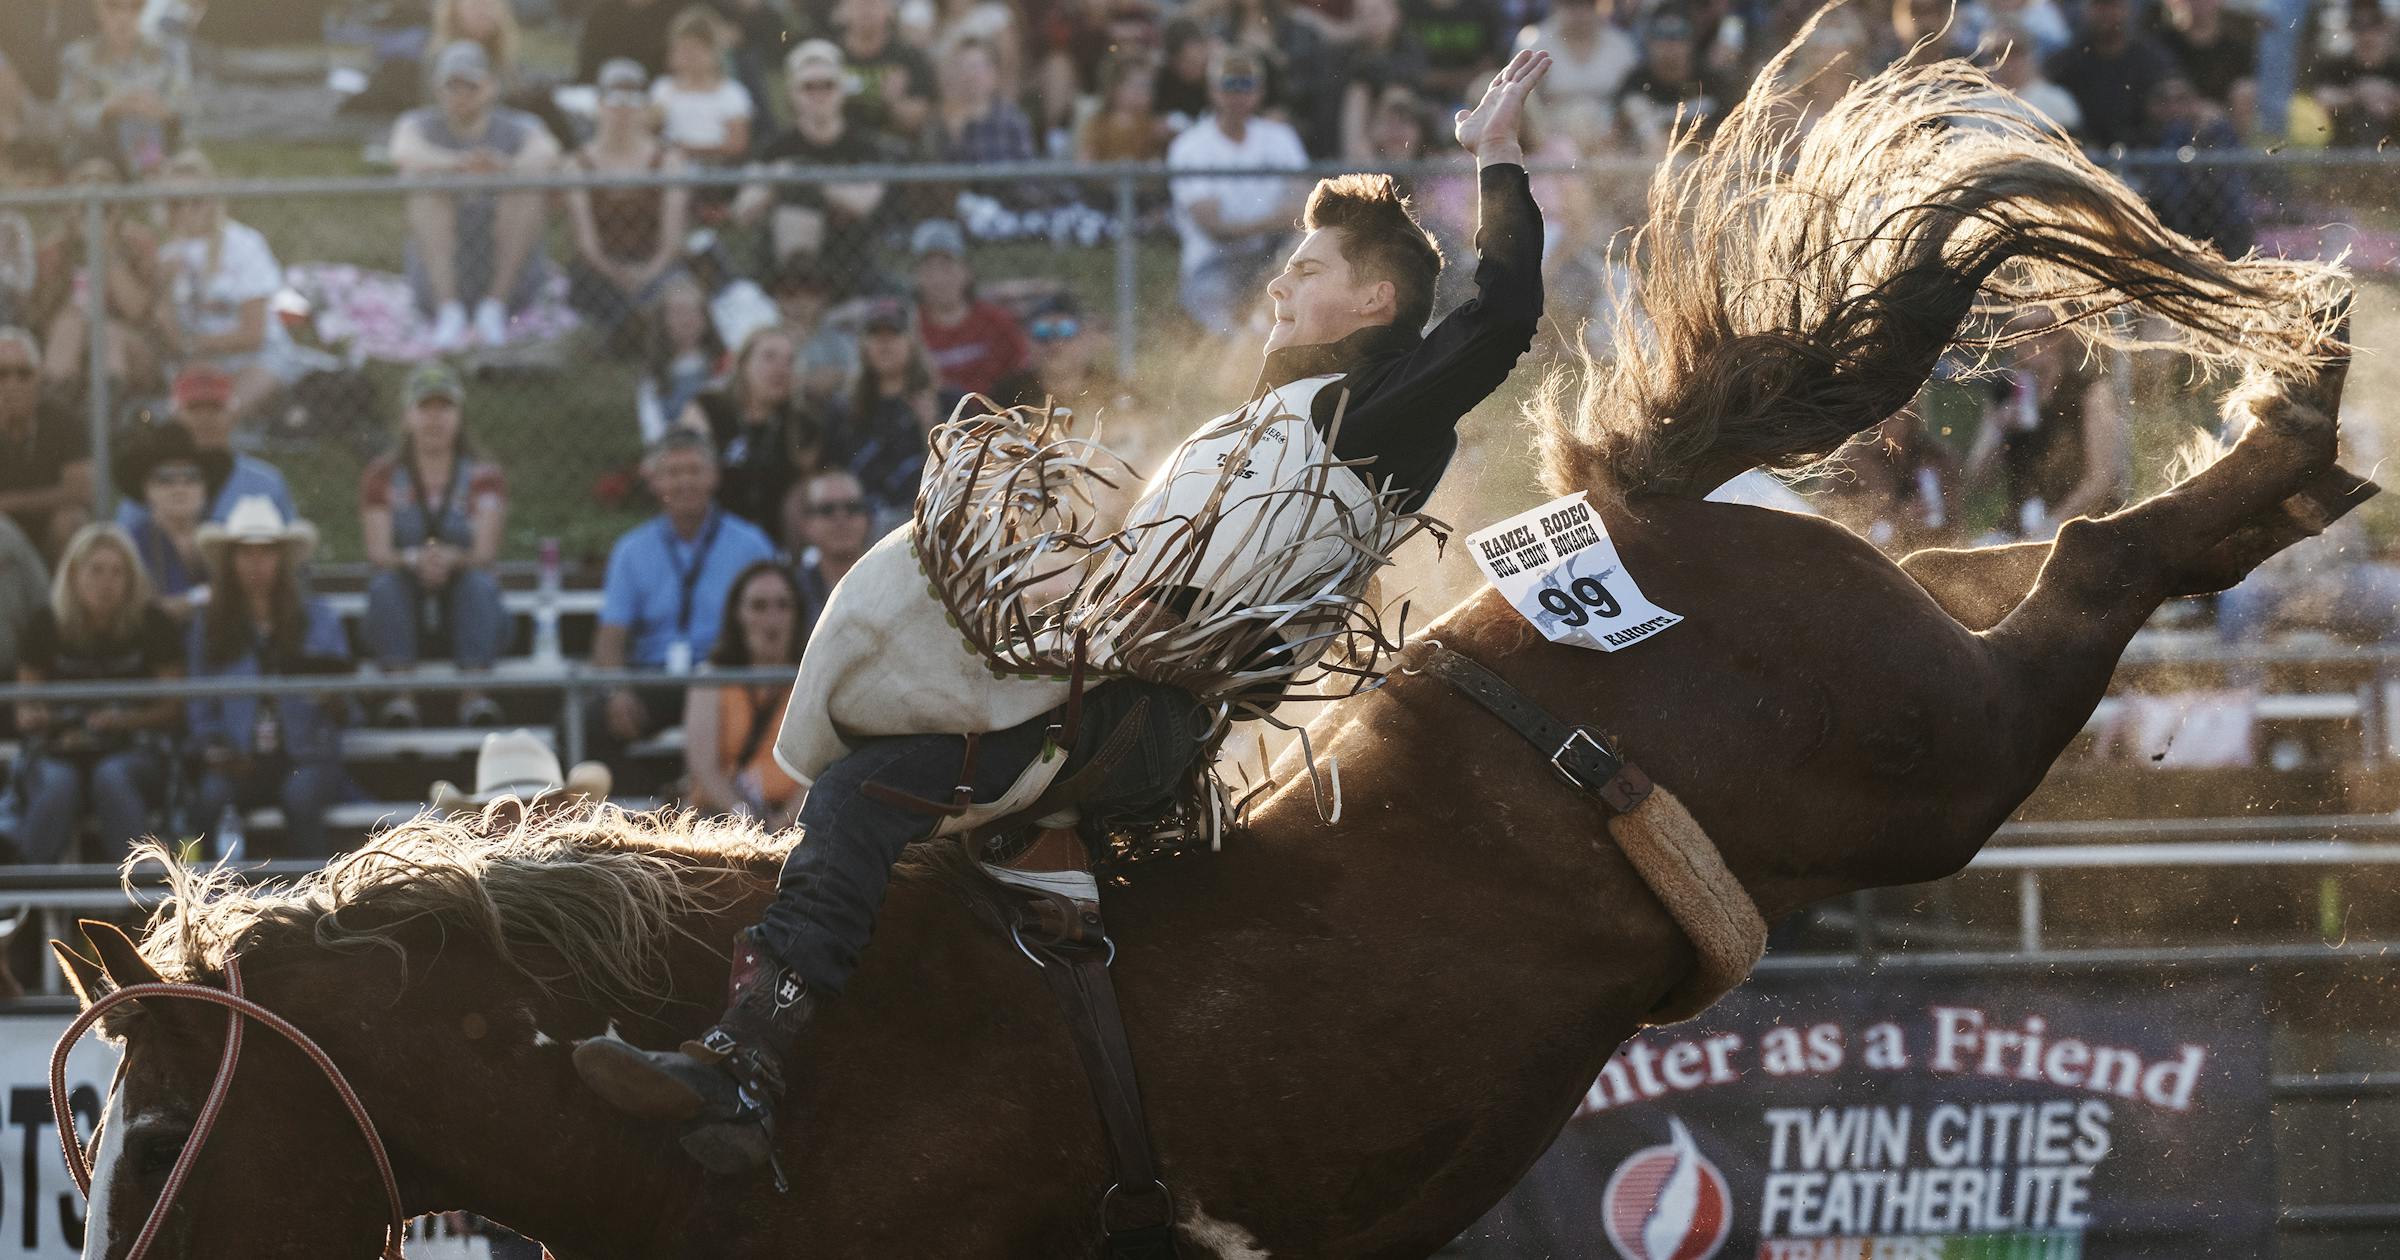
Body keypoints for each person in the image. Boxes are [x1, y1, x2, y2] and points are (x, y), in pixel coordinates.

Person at [573, 48, 1555, 1179]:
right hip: (1097, 689)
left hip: (1142, 720)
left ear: (1374, 301)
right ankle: (1032, 921)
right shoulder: (1266, 419)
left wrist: (1495, 156)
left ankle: (746, 1068)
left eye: (1307, 265)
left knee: (856, 789)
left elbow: (1502, 316)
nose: (1280, 283)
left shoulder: (1371, 414)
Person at [186, 495, 353, 859]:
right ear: (231, 561)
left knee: (302, 798)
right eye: (245, 552)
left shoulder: (319, 619)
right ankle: (205, 901)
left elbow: (346, 697)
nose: (256, 564)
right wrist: (215, 748)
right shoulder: (210, 625)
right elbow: (199, 704)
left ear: (282, 559)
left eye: (267, 552)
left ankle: (315, 902)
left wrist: (331, 702)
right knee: (209, 799)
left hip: (304, 755)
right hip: (237, 758)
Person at [591, 429, 778, 749]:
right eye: (673, 473)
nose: (684, 482)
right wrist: (617, 690)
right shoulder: (631, 550)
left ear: (714, 477)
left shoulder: (751, 544)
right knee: (590, 722)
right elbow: (611, 636)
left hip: (726, 677)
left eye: (694, 471)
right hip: (657, 678)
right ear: (654, 482)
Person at [12, 523, 180, 862]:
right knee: (58, 785)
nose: (106, 583)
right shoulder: (45, 623)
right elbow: (24, 706)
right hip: (59, 750)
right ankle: (25, 894)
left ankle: (140, 896)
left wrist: (125, 720)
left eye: (118, 572)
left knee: (112, 776)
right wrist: (36, 715)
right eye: (96, 570)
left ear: (132, 579)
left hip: (135, 748)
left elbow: (174, 707)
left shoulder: (153, 623)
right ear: (73, 574)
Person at [359, 364, 510, 727]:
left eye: (444, 408)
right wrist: (413, 559)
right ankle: (402, 698)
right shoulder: (382, 474)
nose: (434, 419)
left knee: (479, 584)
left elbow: (485, 551)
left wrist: (452, 559)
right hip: (406, 596)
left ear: (459, 416)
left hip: (464, 596)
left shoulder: (483, 476)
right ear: (407, 416)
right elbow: (378, 551)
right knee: (384, 586)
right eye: (424, 408)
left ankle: (474, 698)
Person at [391, 41, 561, 352]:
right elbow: (403, 151)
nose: (461, 95)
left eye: (471, 85)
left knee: (526, 186)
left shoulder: (520, 125)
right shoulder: (418, 122)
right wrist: (458, 166)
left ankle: (492, 310)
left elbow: (547, 152)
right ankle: (449, 311)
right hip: (437, 277)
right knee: (422, 185)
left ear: (491, 87)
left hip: (511, 280)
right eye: (452, 85)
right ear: (437, 88)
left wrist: (505, 168)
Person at [154, 150, 328, 422]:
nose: (187, 210)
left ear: (212, 200)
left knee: (220, 418)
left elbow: (253, 334)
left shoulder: (243, 244)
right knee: (187, 422)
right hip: (199, 362)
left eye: (196, 200)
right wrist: (163, 287)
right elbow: (169, 336)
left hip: (257, 357)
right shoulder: (167, 256)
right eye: (176, 203)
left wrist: (191, 346)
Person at [1166, 47, 1310, 337]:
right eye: (1229, 84)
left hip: (1272, 258)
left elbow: (1305, 209)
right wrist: (1276, 220)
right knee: (1224, 329)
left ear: (1260, 91)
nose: (1238, 93)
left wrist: (1254, 226)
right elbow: (1215, 227)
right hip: (1214, 263)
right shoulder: (1190, 146)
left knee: (1305, 262)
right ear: (1213, 90)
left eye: (1247, 84)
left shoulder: (1280, 137)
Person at [735, 41, 890, 291]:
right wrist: (781, 179)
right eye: (808, 87)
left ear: (842, 90)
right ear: (792, 93)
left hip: (850, 262)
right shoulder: (773, 148)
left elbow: (864, 203)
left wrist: (805, 176)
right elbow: (744, 210)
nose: (819, 94)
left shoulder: (865, 147)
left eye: (827, 85)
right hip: (781, 265)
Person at [1964, 318, 2130, 541]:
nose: (2035, 342)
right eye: (2023, 333)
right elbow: (1978, 480)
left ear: (2065, 334)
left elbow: (2101, 480)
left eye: (2047, 331)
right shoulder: (2005, 394)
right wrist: (1999, 430)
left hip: (2079, 525)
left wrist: (2050, 527)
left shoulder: (2091, 392)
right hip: (2021, 525)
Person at [567, 58, 691, 354]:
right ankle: (636, 329)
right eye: (613, 98)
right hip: (602, 269)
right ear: (598, 105)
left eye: (633, 99)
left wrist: (648, 273)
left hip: (655, 263)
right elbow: (586, 243)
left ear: (646, 108)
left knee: (677, 290)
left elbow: (673, 237)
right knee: (589, 288)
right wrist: (617, 274)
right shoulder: (578, 163)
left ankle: (639, 329)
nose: (622, 109)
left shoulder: (668, 161)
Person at [30, 155, 165, 401]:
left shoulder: (138, 242)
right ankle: (57, 406)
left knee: (108, 332)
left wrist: (105, 247)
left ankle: (109, 415)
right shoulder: (55, 249)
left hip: (129, 345)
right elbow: (42, 319)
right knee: (69, 322)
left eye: (104, 204)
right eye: (86, 205)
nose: (95, 212)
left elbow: (138, 312)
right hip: (70, 343)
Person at [682, 560, 804, 826]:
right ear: (737, 614)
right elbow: (704, 768)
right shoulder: (711, 678)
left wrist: (784, 822)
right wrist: (744, 818)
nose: (772, 618)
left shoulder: (812, 676)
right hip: (720, 821)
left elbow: (819, 770)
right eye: (759, 606)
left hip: (796, 823)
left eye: (783, 605)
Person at [116, 365, 295, 536]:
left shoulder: (265, 483)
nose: (205, 418)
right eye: (194, 408)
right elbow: (126, 543)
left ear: (232, 414)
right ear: (175, 416)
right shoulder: (152, 477)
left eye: (215, 408)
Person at [681, 323, 821, 533]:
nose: (781, 368)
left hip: (775, 542)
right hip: (712, 535)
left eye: (789, 361)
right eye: (769, 357)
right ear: (744, 363)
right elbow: (687, 477)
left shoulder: (803, 425)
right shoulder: (708, 409)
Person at [830, 297, 949, 522]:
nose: (884, 344)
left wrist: (930, 426)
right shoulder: (843, 410)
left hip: (927, 519)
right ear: (863, 345)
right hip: (860, 523)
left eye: (893, 334)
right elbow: (831, 477)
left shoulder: (946, 401)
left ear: (912, 342)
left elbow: (963, 475)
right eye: (875, 335)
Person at [56, 0, 188, 176]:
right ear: (98, 8)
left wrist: (161, 109)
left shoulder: (168, 53)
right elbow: (69, 114)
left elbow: (186, 105)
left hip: (162, 146)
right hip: (98, 151)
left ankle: (152, 174)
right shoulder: (77, 58)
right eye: (113, 6)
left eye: (134, 7)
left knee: (189, 171)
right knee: (94, 175)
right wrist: (109, 108)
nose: (123, 17)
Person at [110, 415, 224, 620]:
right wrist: (201, 597)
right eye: (165, 479)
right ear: (146, 489)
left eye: (191, 477)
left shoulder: (223, 539)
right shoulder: (130, 545)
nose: (179, 488)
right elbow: (141, 613)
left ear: (205, 488)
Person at [908, 220, 1028, 399]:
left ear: (966, 271)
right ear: (917, 277)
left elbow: (1022, 370)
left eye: (947, 266)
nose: (938, 279)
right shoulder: (911, 329)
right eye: (929, 269)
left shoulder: (995, 320)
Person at [0, 326, 93, 559]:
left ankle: (64, 595)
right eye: (1, 374)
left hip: (47, 531)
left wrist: (10, 503)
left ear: (38, 376)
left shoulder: (63, 419)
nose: (12, 384)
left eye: (23, 374)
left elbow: (81, 491)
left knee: (70, 521)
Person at [2045, 0, 2174, 148]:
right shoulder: (2065, 62)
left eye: (2113, 6)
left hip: (2145, 153)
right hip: (2083, 152)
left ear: (2128, 9)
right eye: (2099, 6)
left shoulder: (2153, 60)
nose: (2106, 14)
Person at [649, 7, 754, 166]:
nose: (687, 57)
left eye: (694, 50)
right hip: (673, 166)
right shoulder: (663, 89)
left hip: (718, 169)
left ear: (713, 53)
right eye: (682, 49)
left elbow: (736, 145)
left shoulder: (732, 93)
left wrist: (689, 149)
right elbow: (650, 132)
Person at [780, 467, 871, 638]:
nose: (841, 518)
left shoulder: (888, 579)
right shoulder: (791, 592)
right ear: (807, 525)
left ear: (866, 519)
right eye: (827, 510)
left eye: (852, 508)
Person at [637, 273, 725, 444]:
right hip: (674, 449)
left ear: (706, 317)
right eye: (678, 312)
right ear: (663, 321)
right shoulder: (654, 374)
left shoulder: (721, 363)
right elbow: (652, 429)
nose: (686, 319)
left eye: (694, 311)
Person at [763, 256, 857, 410]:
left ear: (825, 297)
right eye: (789, 293)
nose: (799, 302)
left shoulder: (840, 341)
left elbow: (858, 378)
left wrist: (840, 377)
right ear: (777, 297)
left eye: (811, 292)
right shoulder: (764, 340)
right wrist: (805, 383)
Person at [834, 0, 934, 140]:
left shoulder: (911, 57)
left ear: (890, 11)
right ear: (842, 11)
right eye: (858, 3)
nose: (866, 10)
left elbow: (919, 122)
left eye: (873, 3)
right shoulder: (827, 55)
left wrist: (895, 102)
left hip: (895, 149)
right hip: (835, 148)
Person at [576, 0, 675, 81]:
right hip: (601, 88)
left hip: (658, 91)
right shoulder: (603, 10)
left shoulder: (676, 11)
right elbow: (589, 55)